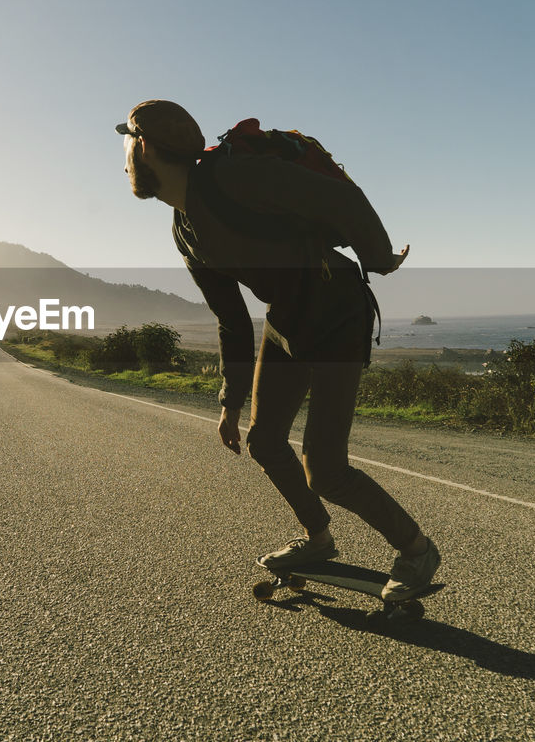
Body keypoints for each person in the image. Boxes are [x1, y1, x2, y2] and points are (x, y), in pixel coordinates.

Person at [115, 99, 440, 601]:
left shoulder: (234, 175)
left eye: (127, 144)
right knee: (265, 441)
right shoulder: (184, 230)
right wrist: (229, 402)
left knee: (325, 467)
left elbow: (343, 203)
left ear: (148, 150)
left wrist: (378, 259)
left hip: (336, 310)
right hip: (288, 321)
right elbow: (231, 320)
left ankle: (417, 550)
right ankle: (318, 539)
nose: (122, 157)